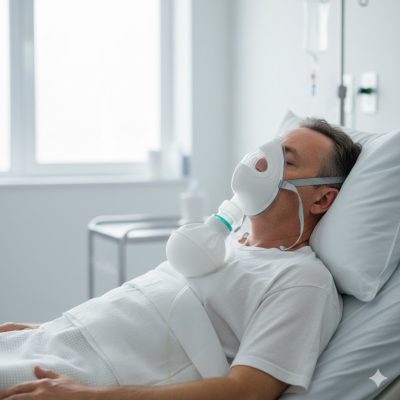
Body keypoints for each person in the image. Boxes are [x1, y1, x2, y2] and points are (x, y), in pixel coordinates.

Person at [0, 118, 362, 400]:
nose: (263, 163)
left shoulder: (302, 280)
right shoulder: (226, 241)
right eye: (270, 152)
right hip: (58, 341)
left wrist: (88, 396)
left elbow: (247, 392)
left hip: (88, 375)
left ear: (322, 199)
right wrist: (46, 328)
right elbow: (139, 308)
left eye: (288, 161)